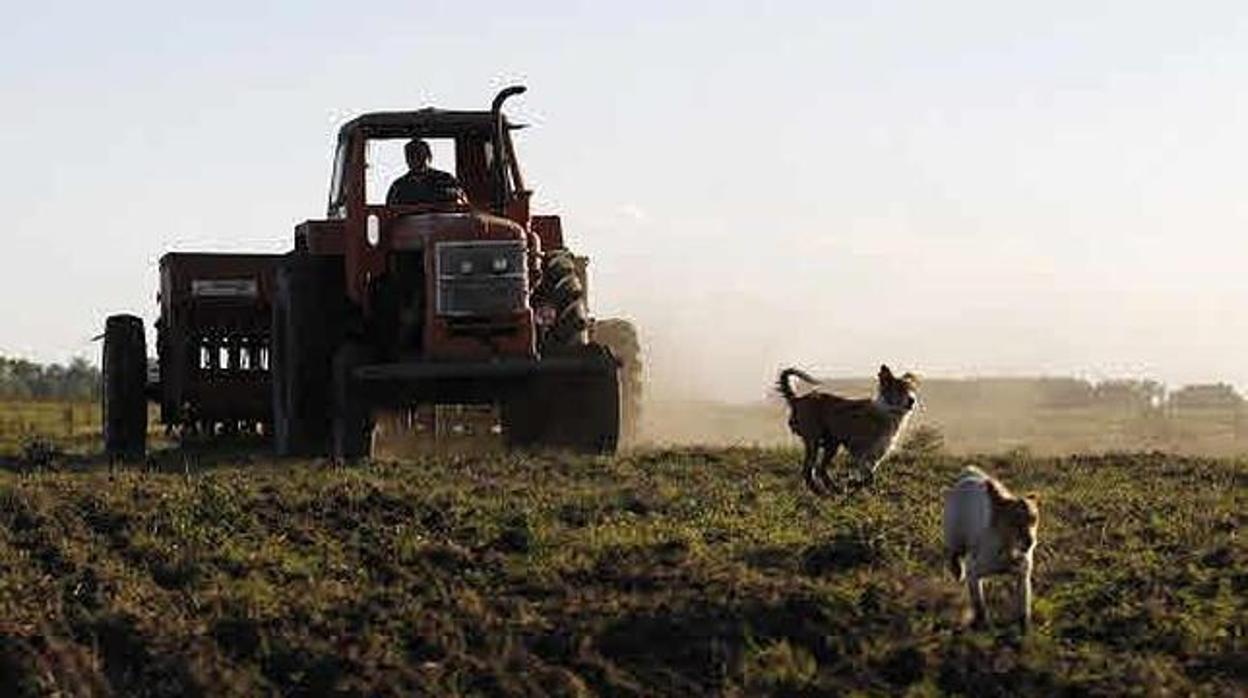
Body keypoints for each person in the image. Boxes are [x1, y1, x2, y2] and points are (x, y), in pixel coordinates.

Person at [386, 138, 466, 205]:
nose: (415, 159)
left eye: (419, 154)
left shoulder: (446, 179)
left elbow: (461, 201)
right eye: (411, 155)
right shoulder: (398, 186)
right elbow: (390, 211)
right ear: (406, 159)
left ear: (429, 156)